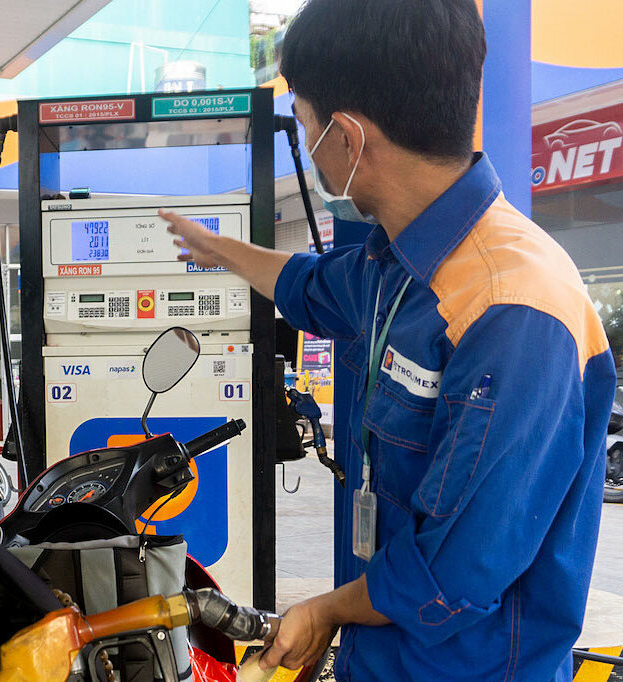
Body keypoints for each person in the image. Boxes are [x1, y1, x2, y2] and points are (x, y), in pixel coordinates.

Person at [160, 0, 615, 679]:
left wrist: (325, 611)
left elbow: (454, 571)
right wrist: (216, 250)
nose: (307, 140)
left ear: (346, 136)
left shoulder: (514, 313)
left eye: (305, 121)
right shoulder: (397, 262)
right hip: (384, 658)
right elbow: (309, 286)